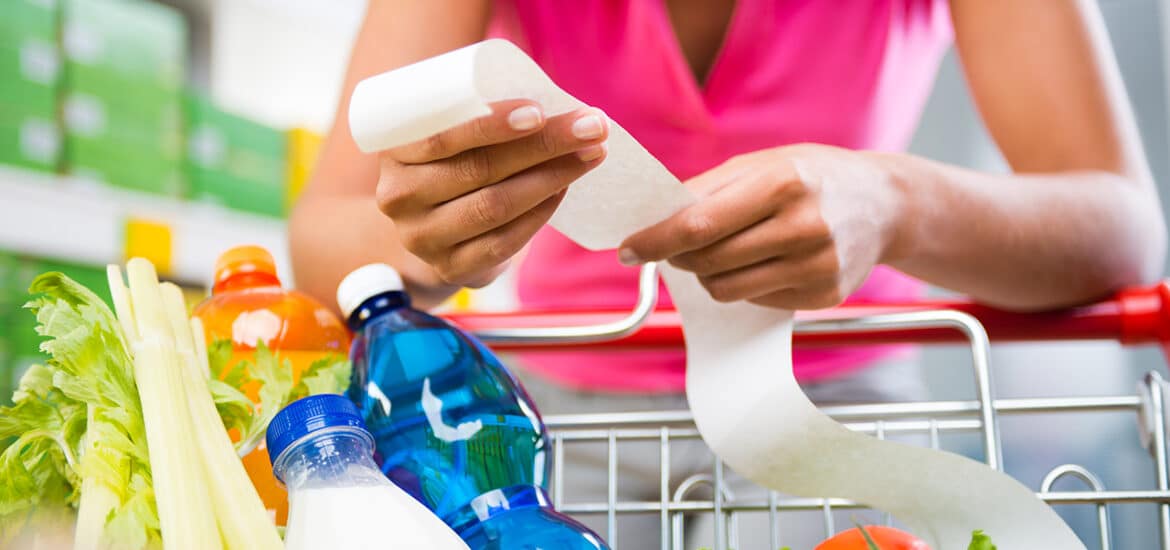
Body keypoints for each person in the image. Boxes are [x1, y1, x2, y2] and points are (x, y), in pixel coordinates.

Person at [291, 0, 1167, 546]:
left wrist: (899, 202)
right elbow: (327, 233)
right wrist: (436, 237)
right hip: (553, 424)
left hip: (834, 397)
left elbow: (1122, 227)